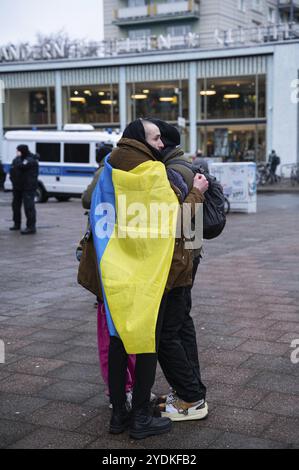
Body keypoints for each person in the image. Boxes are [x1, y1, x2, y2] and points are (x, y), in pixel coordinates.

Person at [86, 119, 208, 439]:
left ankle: (118, 416)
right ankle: (140, 417)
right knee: (146, 343)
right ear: (141, 139)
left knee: (117, 342)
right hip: (145, 272)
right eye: (155, 139)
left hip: (112, 269)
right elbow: (175, 219)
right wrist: (195, 191)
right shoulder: (151, 173)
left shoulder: (109, 169)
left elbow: (96, 211)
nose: (159, 145)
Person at [147, 118, 208, 421]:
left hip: (176, 263)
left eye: (157, 140)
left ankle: (190, 398)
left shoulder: (171, 171)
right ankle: (190, 392)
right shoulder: (186, 165)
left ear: (164, 144)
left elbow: (177, 223)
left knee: (167, 335)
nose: (154, 146)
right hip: (189, 259)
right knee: (182, 327)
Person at [9, 145, 38, 234]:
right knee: (15, 206)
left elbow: (22, 166)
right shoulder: (17, 159)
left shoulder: (31, 160)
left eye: (18, 151)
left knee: (29, 207)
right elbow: (13, 169)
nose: (17, 152)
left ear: (23, 151)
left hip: (28, 188)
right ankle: (16, 224)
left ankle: (31, 227)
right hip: (17, 187)